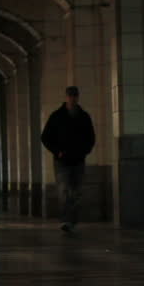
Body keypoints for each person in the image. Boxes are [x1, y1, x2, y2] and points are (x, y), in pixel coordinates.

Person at [41, 86, 96, 233]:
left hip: (78, 160)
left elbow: (91, 137)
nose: (73, 98)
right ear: (66, 97)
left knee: (77, 192)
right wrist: (57, 151)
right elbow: (45, 137)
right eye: (70, 96)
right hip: (62, 161)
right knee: (64, 190)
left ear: (78, 97)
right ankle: (66, 220)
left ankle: (72, 220)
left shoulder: (84, 117)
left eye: (75, 96)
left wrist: (84, 151)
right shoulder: (57, 116)